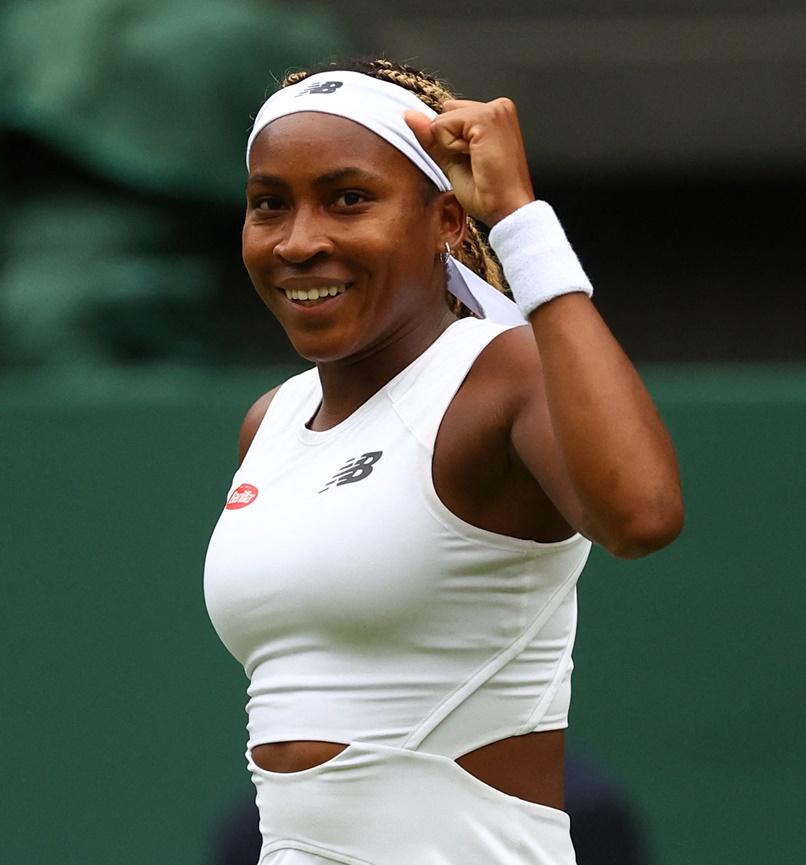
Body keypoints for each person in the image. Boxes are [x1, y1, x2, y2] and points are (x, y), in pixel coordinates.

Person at [203, 58, 683, 865]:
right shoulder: (272, 421)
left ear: (448, 221)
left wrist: (522, 222)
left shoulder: (504, 373)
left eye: (348, 198)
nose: (300, 240)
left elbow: (641, 515)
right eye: (269, 206)